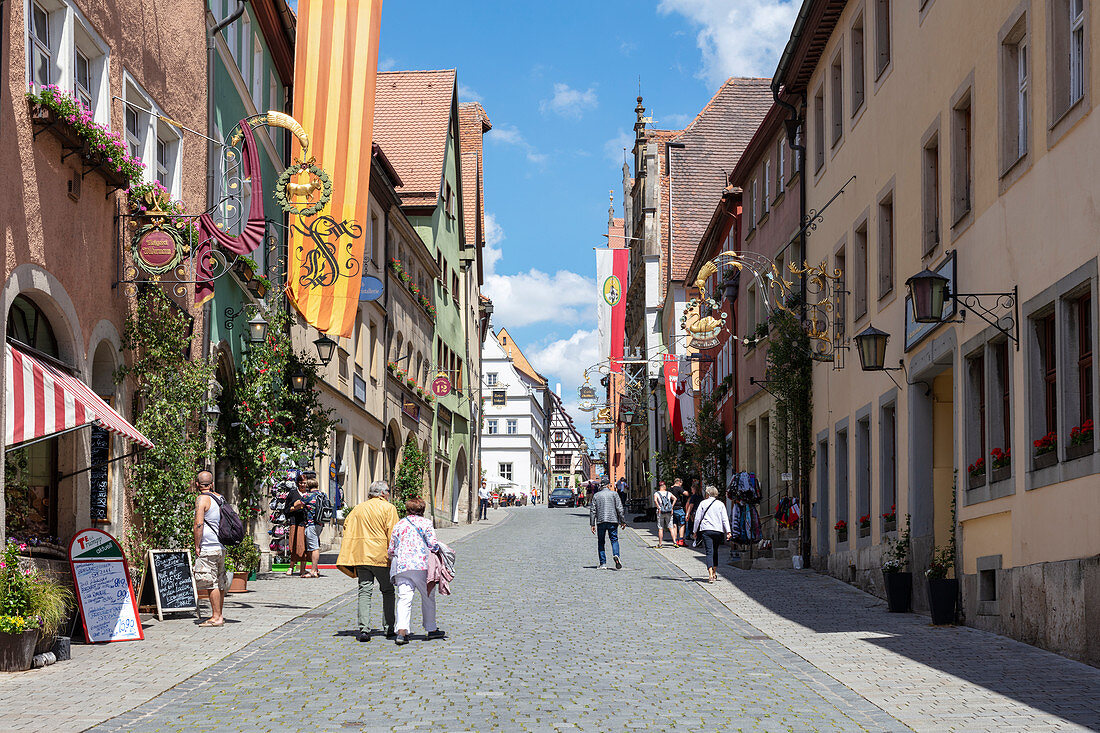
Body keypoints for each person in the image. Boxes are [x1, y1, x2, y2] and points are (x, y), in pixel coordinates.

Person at [337, 481, 398, 642]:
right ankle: (389, 627)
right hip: (380, 556)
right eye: (388, 491)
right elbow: (393, 533)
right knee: (388, 591)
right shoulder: (388, 508)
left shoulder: (358, 508)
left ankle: (364, 629)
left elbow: (347, 526)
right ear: (383, 493)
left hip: (361, 555)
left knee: (364, 591)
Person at [388, 497, 446, 645]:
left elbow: (391, 548)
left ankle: (401, 632)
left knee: (404, 598)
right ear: (422, 510)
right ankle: (431, 629)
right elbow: (432, 545)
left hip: (402, 566)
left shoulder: (399, 524)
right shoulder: (426, 523)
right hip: (421, 566)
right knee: (428, 597)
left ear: (407, 509)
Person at [192, 470, 227, 627]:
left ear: (197, 484)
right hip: (221, 546)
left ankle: (216, 617)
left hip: (208, 546)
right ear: (212, 484)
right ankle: (220, 615)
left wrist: (197, 545)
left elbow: (199, 524)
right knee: (220, 581)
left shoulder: (201, 499)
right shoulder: (220, 498)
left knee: (210, 582)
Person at [693, 485, 732, 583]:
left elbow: (697, 518)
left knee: (709, 552)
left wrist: (694, 531)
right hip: (718, 530)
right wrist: (728, 531)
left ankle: (710, 574)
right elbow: (725, 518)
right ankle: (714, 573)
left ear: (707, 494)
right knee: (715, 551)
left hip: (706, 530)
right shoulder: (720, 504)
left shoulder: (703, 503)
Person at [589, 480, 625, 570]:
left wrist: (592, 524)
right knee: (614, 539)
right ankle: (616, 555)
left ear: (601, 486)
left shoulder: (596, 495)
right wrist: (623, 521)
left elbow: (593, 510)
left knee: (601, 542)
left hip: (601, 521)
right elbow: (619, 508)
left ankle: (603, 563)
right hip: (613, 520)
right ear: (608, 485)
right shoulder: (614, 494)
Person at [652, 481, 677, 548]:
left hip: (661, 512)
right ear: (664, 486)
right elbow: (675, 498)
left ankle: (660, 544)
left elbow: (655, 500)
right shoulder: (668, 493)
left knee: (661, 528)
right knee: (671, 527)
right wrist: (671, 506)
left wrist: (659, 507)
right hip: (668, 512)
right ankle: (675, 542)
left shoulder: (656, 493)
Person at [671, 478, 687, 546]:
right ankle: (681, 540)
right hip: (679, 508)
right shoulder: (678, 488)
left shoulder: (670, 489)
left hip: (672, 509)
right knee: (682, 524)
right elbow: (686, 493)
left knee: (674, 525)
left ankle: (675, 541)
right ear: (679, 482)